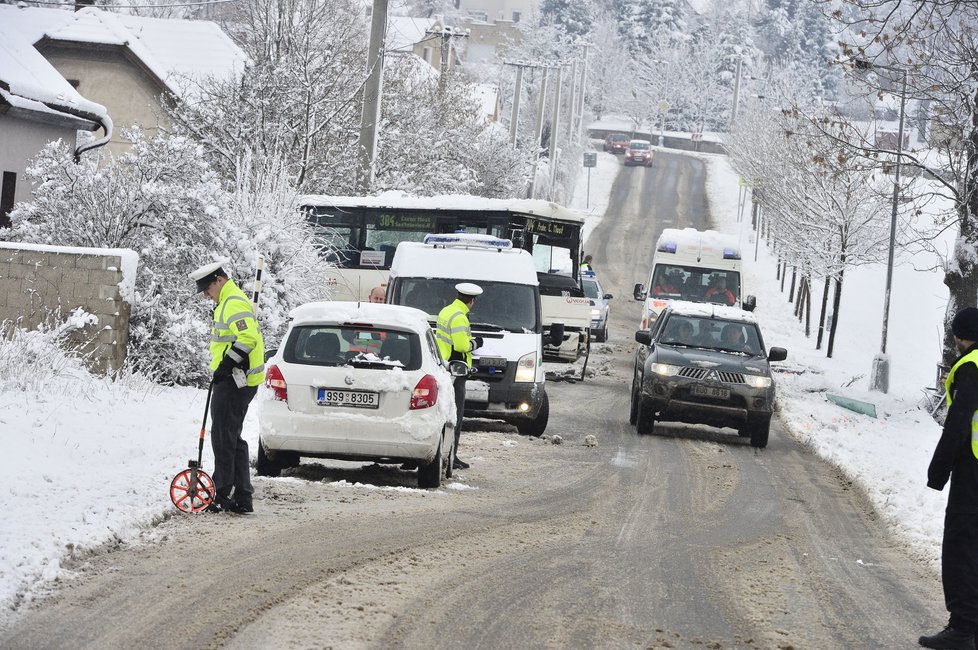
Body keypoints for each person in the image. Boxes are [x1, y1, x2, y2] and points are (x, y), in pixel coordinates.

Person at [920, 307, 978, 650]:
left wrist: (937, 472)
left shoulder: (969, 367)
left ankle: (962, 628)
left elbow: (958, 424)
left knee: (961, 547)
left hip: (972, 470)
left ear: (960, 336)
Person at [188, 258, 265, 514]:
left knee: (222, 438)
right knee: (232, 438)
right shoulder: (228, 301)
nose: (206, 296)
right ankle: (242, 497)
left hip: (234, 380)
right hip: (236, 380)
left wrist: (226, 365)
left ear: (219, 280)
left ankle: (222, 494)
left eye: (207, 289)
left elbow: (248, 338)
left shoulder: (232, 303)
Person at [435, 283, 484, 470]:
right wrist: (477, 342)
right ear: (472, 301)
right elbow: (462, 346)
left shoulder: (446, 311)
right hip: (457, 370)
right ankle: (452, 456)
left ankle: (443, 451)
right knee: (456, 414)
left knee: (444, 413)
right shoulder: (460, 317)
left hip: (444, 367)